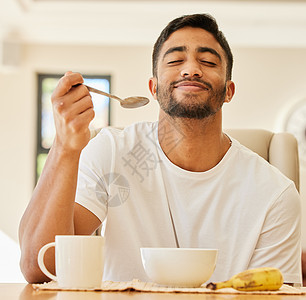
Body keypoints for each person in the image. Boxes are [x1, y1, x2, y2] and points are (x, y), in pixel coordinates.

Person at [19, 13, 302, 286]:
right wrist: (65, 148)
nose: (191, 69)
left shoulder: (275, 194)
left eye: (207, 61)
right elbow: (40, 268)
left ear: (229, 91)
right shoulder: (113, 151)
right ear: (153, 88)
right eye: (176, 60)